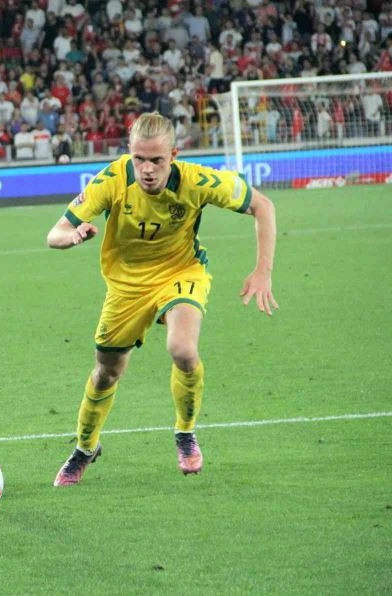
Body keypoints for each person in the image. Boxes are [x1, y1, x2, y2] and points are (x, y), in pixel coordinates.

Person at [47, 112, 278, 486]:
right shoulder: (113, 178)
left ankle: (185, 434)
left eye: (157, 160)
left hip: (180, 272)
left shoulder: (197, 180)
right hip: (126, 287)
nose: (148, 169)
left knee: (182, 349)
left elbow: (263, 206)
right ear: (130, 154)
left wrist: (262, 271)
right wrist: (72, 237)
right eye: (139, 159)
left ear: (174, 154)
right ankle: (85, 448)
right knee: (107, 373)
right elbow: (54, 233)